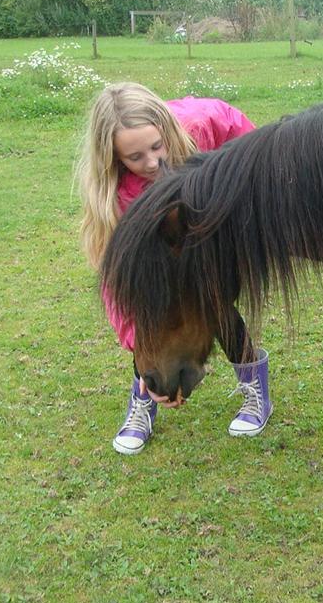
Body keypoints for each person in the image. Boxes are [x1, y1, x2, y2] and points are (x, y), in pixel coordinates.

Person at [77, 82, 272, 454]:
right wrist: (141, 343)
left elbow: (241, 134)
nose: (151, 162)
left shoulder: (196, 129)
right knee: (151, 317)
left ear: (166, 128)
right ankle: (144, 397)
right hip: (160, 270)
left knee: (215, 303)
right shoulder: (116, 201)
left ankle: (255, 389)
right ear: (113, 158)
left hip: (209, 236)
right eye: (135, 157)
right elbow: (117, 288)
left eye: (156, 146)